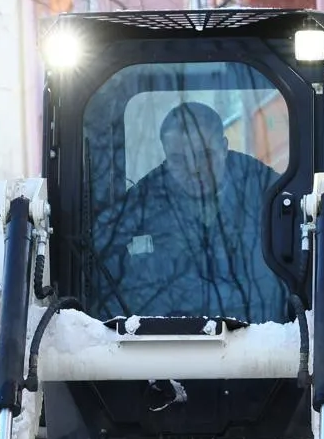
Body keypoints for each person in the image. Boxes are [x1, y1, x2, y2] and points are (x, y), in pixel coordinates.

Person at [92, 100, 286, 321]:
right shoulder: (145, 200)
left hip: (258, 337)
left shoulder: (267, 194)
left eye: (205, 155)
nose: (194, 169)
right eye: (178, 159)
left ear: (223, 148)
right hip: (167, 339)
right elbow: (102, 249)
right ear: (166, 157)